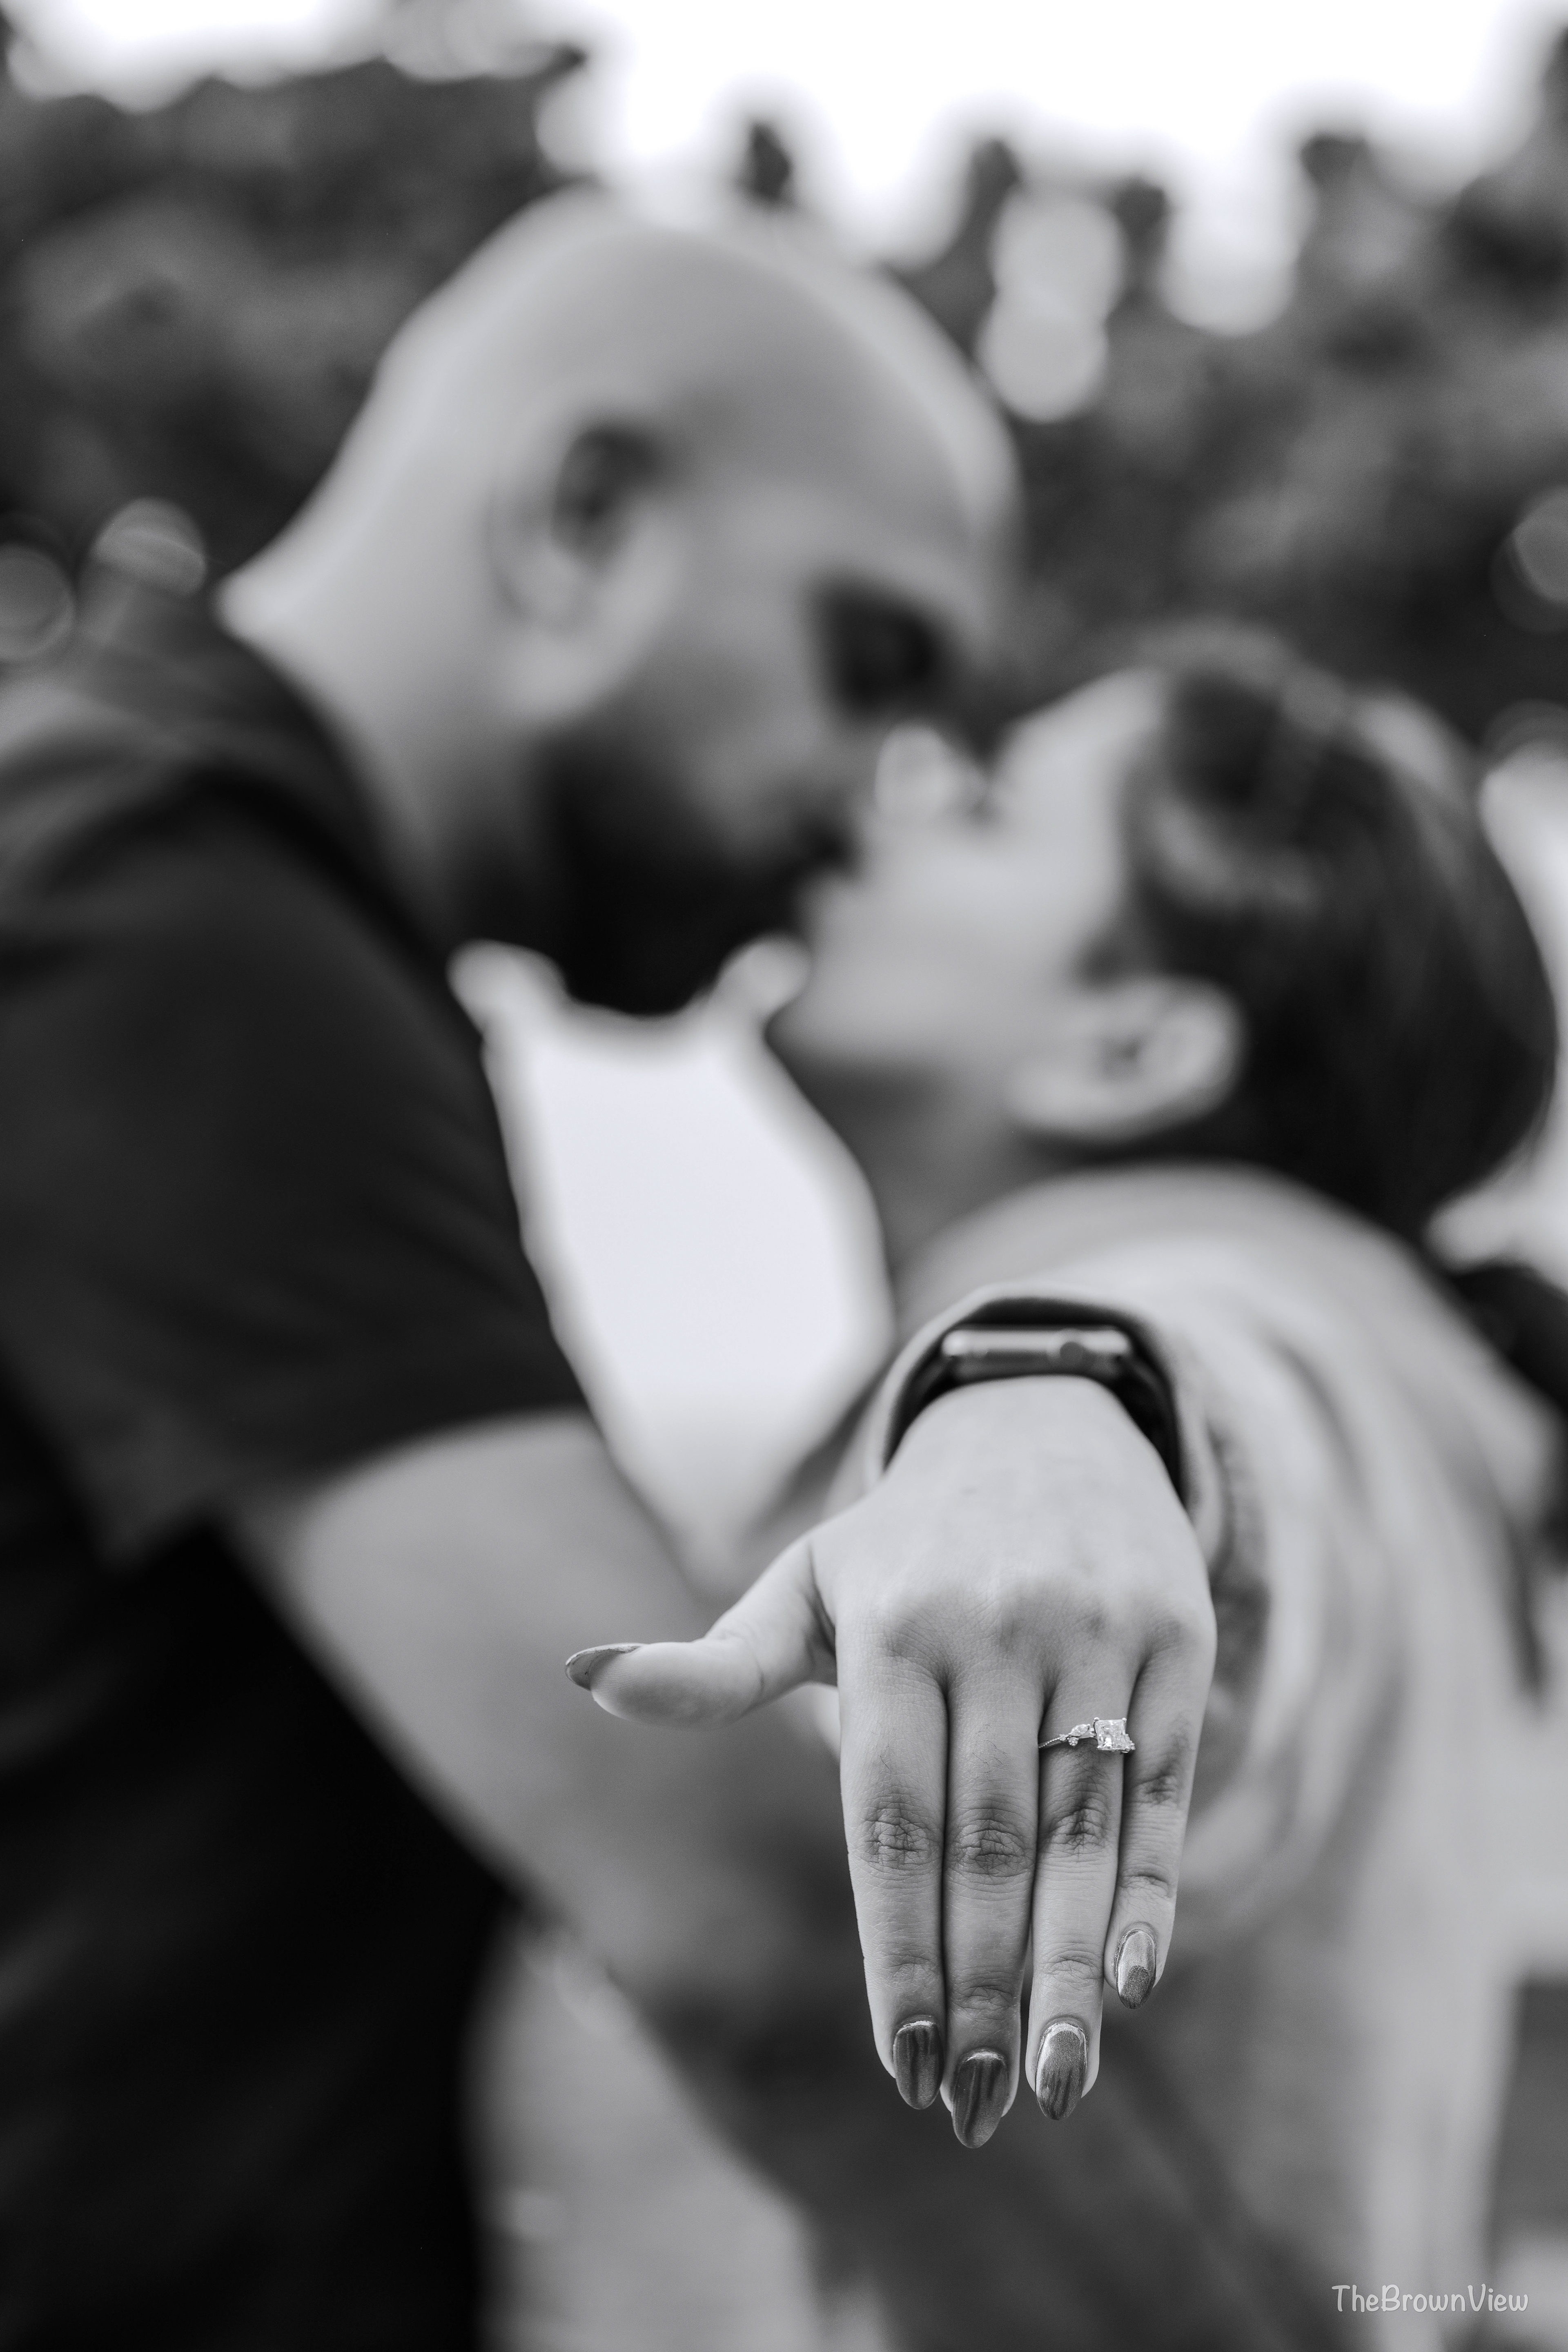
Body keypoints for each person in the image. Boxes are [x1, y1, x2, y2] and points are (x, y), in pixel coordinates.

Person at [0, 192, 1223, 2349]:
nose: (866, 808)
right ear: (583, 517)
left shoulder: (213, 886)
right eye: (870, 662)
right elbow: (734, 1910)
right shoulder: (158, 900)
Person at [586, 630, 1568, 2336]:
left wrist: (1058, 1405)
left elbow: (1244, 1426)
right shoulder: (1419, 1384)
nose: (873, 806)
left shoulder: (1266, 1320)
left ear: (1129, 1047)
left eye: (978, 807)